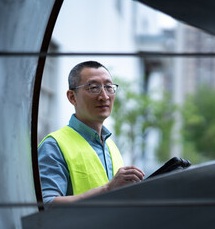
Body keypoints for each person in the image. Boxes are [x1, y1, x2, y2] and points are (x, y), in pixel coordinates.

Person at [38, 61, 145, 208]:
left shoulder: (112, 147)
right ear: (72, 97)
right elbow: (46, 205)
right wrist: (107, 189)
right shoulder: (54, 145)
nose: (104, 96)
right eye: (94, 88)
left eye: (108, 87)